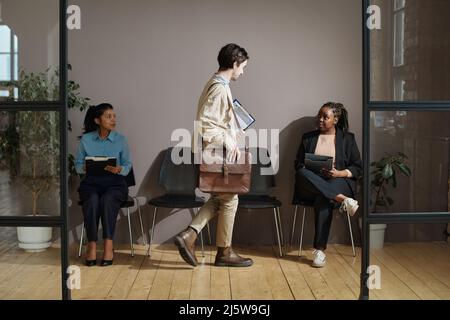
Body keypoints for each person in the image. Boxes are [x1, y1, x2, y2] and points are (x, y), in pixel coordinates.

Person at [174, 43, 253, 267]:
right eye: (243, 67)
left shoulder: (217, 83)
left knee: (221, 198)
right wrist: (229, 140)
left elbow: (214, 120)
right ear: (235, 63)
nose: (243, 72)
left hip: (215, 151)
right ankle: (223, 252)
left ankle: (191, 235)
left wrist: (232, 128)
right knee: (230, 199)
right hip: (218, 153)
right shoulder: (219, 87)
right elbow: (207, 125)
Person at [294, 102, 362, 268]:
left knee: (323, 198)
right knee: (302, 173)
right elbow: (298, 164)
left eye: (326, 117)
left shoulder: (347, 138)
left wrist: (339, 173)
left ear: (336, 119)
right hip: (312, 183)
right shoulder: (308, 138)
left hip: (338, 181)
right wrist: (312, 168)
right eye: (319, 116)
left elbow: (358, 167)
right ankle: (343, 200)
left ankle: (319, 251)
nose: (321, 120)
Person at [75, 103, 132, 266]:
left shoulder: (121, 140)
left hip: (115, 184)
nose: (113, 119)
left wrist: (119, 168)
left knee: (107, 200)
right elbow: (78, 165)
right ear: (97, 120)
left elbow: (128, 165)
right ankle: (91, 245)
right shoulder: (86, 140)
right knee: (92, 201)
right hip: (91, 183)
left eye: (114, 116)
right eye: (108, 116)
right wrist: (84, 167)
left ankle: (108, 244)